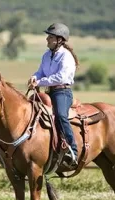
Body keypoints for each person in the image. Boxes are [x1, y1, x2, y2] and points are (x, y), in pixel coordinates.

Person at [27, 23, 79, 168]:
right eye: (48, 36)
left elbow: (60, 77)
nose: (47, 39)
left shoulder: (66, 56)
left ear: (60, 40)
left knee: (61, 115)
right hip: (49, 92)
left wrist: (40, 82)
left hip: (62, 92)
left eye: (50, 36)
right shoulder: (46, 55)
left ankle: (73, 150)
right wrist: (34, 77)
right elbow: (40, 72)